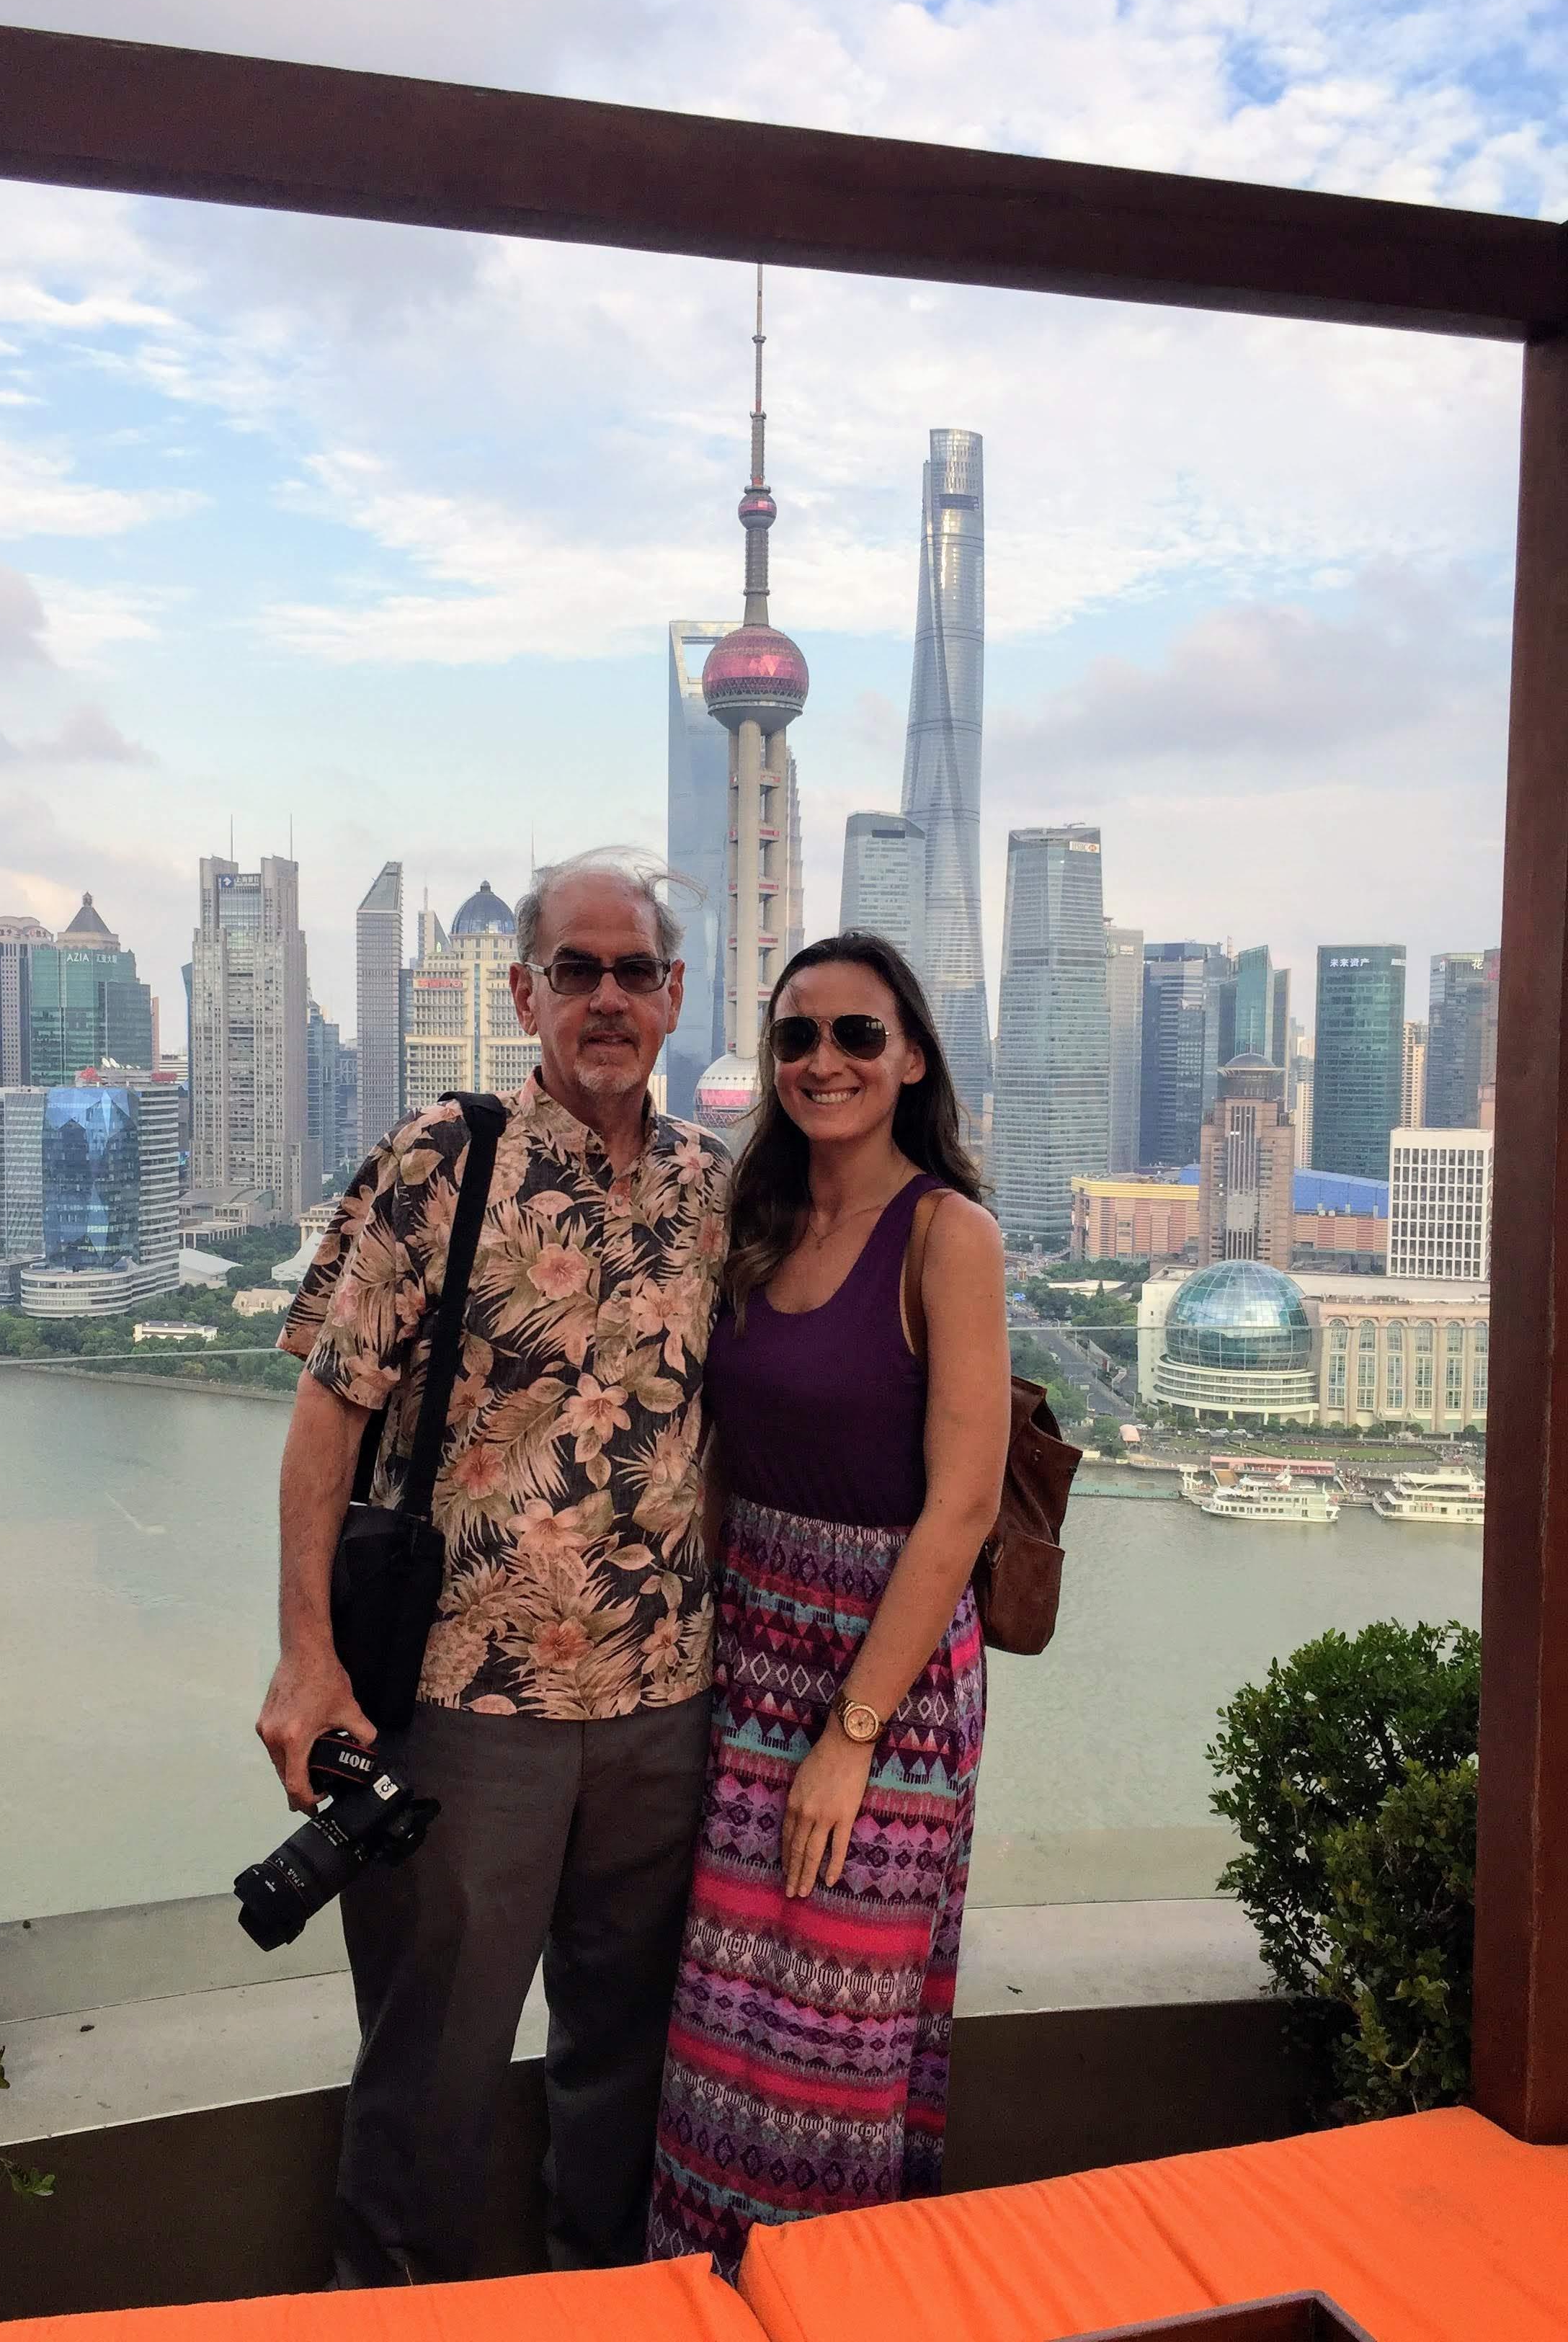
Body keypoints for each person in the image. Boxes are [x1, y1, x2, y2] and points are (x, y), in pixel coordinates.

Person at [259, 850, 730, 2287]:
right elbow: (327, 1416)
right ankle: (383, 2312)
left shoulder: (718, 1192)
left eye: (632, 972)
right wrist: (306, 1659)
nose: (605, 998)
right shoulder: (441, 1162)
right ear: (524, 992)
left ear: (674, 997)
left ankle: (610, 2306)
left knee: (626, 2068)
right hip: (467, 1711)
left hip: (665, 1706)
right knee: (435, 2069)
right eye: (574, 970)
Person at [647, 930, 1011, 2279]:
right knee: (715, 2039)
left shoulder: (947, 1236)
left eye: (860, 1035)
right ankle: (701, 2304)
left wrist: (850, 1737)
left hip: (886, 1689)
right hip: (750, 1663)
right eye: (798, 1036)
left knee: (829, 2060)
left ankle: (824, 2304)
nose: (825, 1060)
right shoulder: (754, 1224)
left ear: (911, 1058)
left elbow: (962, 1508)